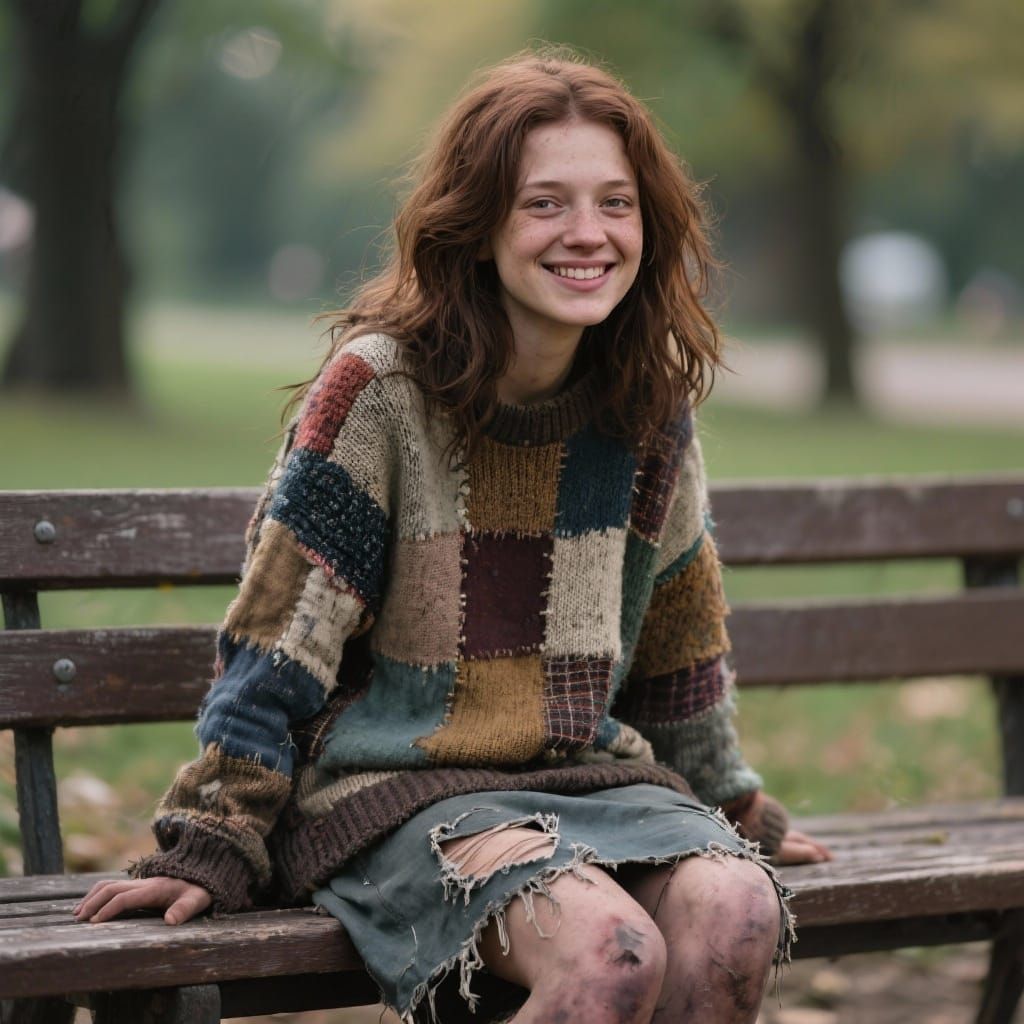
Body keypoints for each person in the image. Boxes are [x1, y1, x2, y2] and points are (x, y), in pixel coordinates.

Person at [74, 48, 831, 1023]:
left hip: (588, 780)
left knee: (736, 908)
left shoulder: (645, 409)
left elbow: (679, 641)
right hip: (396, 796)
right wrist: (212, 837)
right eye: (544, 204)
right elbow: (278, 643)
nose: (588, 232)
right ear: (477, 227)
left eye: (615, 203)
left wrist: (732, 805)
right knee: (612, 955)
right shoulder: (381, 391)